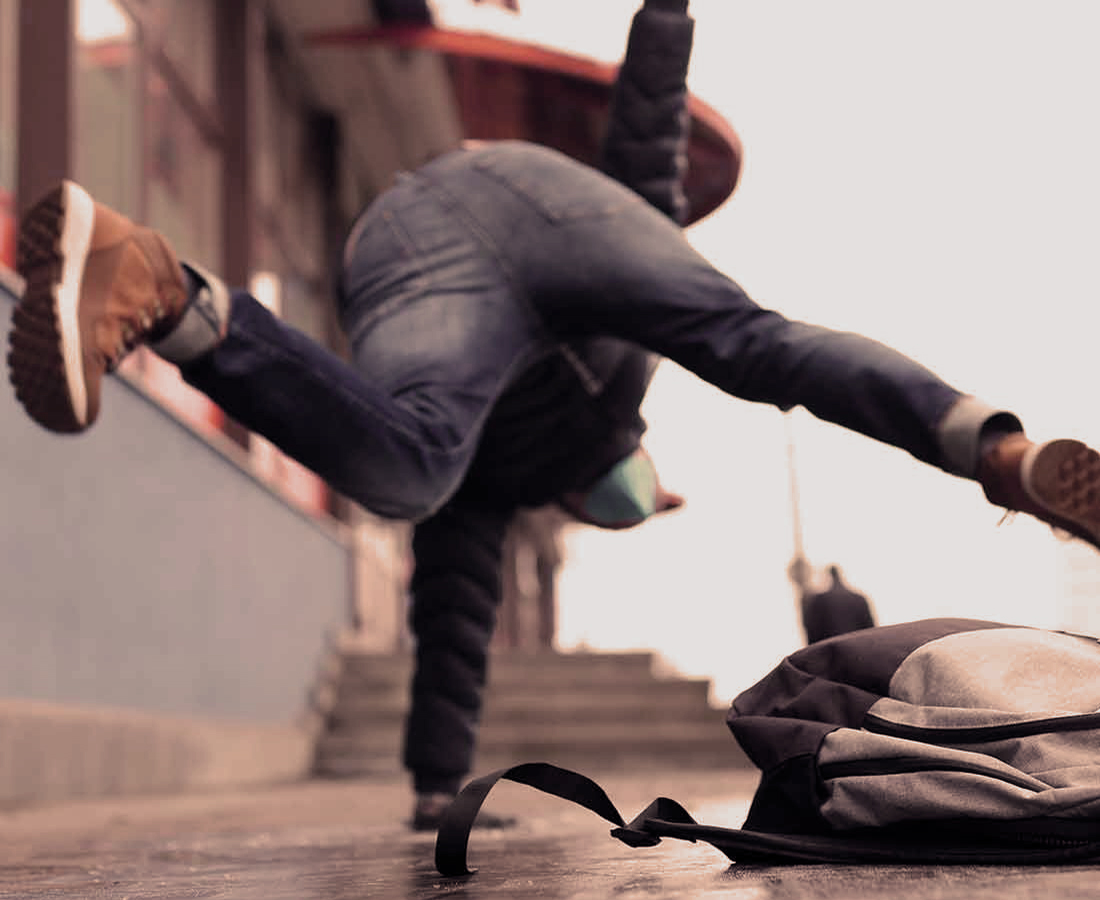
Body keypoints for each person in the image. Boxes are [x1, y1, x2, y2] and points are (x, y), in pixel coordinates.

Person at [8, 0, 1100, 830]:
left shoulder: (485, 481)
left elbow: (453, 622)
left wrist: (440, 787)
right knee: (743, 338)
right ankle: (990, 450)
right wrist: (665, 16)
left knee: (410, 472)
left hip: (408, 236)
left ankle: (163, 290)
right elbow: (645, 144)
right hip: (542, 213)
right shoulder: (617, 381)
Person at [799, 565, 876, 644]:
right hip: (856, 648)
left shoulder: (820, 600)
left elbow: (813, 631)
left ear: (828, 577)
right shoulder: (859, 598)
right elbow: (870, 629)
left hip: (832, 650)